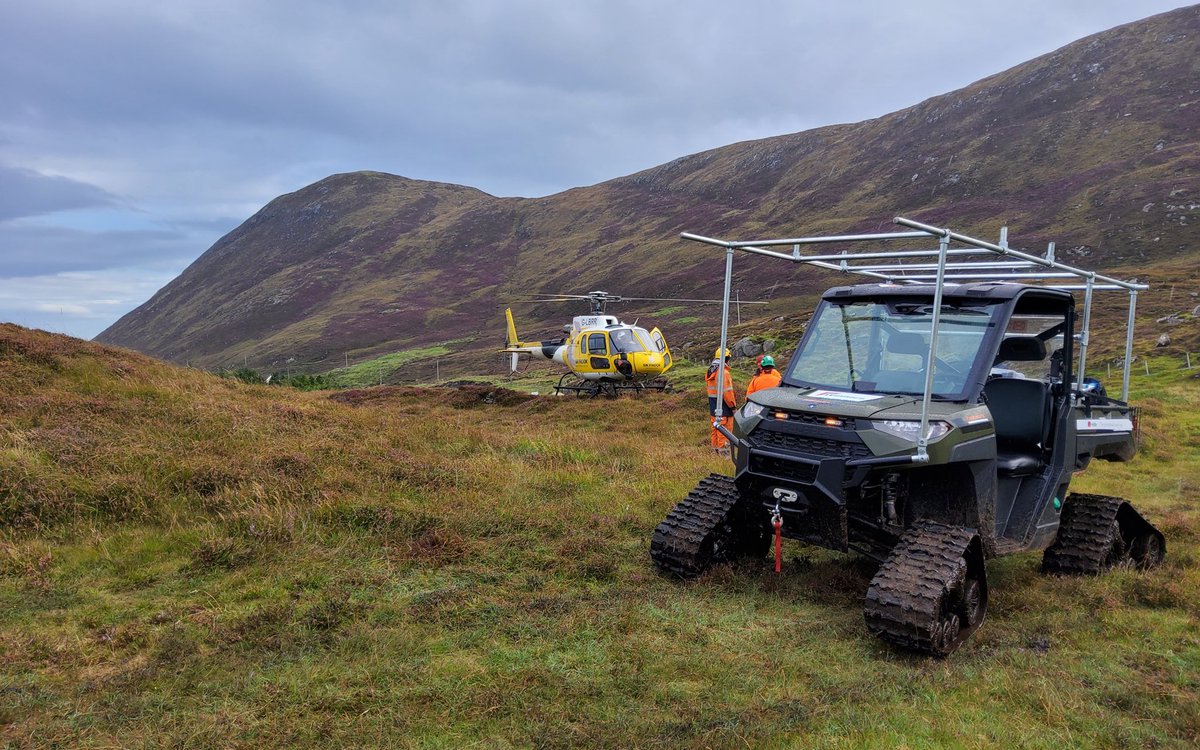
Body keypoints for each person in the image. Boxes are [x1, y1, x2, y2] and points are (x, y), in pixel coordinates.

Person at [706, 348, 736, 453]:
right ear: (726, 358)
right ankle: (724, 454)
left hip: (713, 407)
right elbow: (727, 392)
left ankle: (715, 452)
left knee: (715, 429)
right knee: (725, 431)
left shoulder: (711, 371)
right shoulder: (723, 372)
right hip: (724, 407)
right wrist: (733, 407)